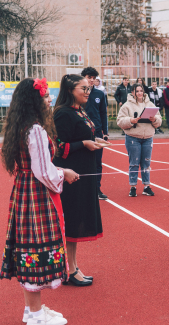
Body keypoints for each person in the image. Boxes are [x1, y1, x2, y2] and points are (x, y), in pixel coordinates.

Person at [1, 78, 77, 325]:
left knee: (27, 249)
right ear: (34, 100)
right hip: (36, 196)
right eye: (45, 96)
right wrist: (62, 173)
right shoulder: (35, 130)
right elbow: (43, 172)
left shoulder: (21, 127)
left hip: (24, 192)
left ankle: (32, 309)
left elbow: (36, 167)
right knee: (35, 249)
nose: (49, 100)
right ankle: (35, 315)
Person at [53, 74, 104, 287]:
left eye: (88, 88)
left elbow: (81, 136)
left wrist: (93, 140)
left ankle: (72, 266)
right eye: (83, 88)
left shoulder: (79, 110)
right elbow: (59, 147)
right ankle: (69, 269)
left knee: (76, 220)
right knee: (73, 221)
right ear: (70, 90)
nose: (87, 91)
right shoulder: (63, 113)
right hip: (72, 176)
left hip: (84, 173)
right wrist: (84, 143)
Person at [117, 84, 162, 197]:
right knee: (134, 163)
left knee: (146, 163)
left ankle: (146, 186)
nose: (139, 93)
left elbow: (159, 120)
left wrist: (155, 119)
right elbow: (119, 121)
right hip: (133, 137)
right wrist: (131, 120)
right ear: (133, 92)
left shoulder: (150, 104)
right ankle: (133, 187)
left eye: (141, 91)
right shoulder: (126, 106)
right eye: (137, 91)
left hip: (148, 138)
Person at [81, 67, 109, 200]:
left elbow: (103, 113)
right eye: (89, 77)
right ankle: (83, 188)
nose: (91, 80)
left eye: (93, 78)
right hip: (82, 131)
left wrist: (105, 132)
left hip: (97, 131)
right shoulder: (78, 93)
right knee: (83, 161)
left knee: (97, 162)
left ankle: (97, 189)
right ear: (83, 78)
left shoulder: (100, 94)